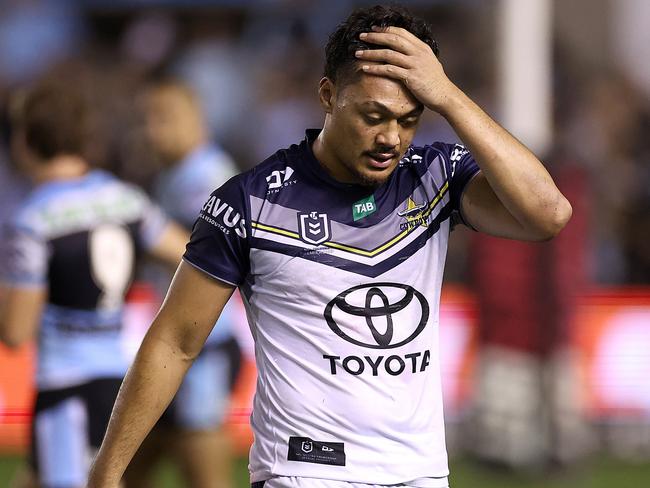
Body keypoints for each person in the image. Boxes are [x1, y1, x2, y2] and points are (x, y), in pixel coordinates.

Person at [88, 5, 572, 488]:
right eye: (373, 115)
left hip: (420, 474)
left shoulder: (435, 177)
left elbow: (548, 214)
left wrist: (448, 96)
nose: (390, 138)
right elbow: (174, 341)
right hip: (303, 472)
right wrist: (106, 476)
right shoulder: (250, 201)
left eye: (409, 120)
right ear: (328, 95)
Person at [0, 75, 188, 488]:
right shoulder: (123, 198)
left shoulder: (32, 221)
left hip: (66, 387)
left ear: (25, 141)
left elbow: (15, 331)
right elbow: (191, 255)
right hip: (120, 382)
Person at [122, 79, 242, 488]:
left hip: (202, 348)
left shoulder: (208, 176)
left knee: (203, 476)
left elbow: (208, 257)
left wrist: (143, 229)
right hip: (175, 344)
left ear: (197, 120)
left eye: (164, 118)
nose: (153, 130)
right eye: (146, 120)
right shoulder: (174, 176)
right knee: (127, 466)